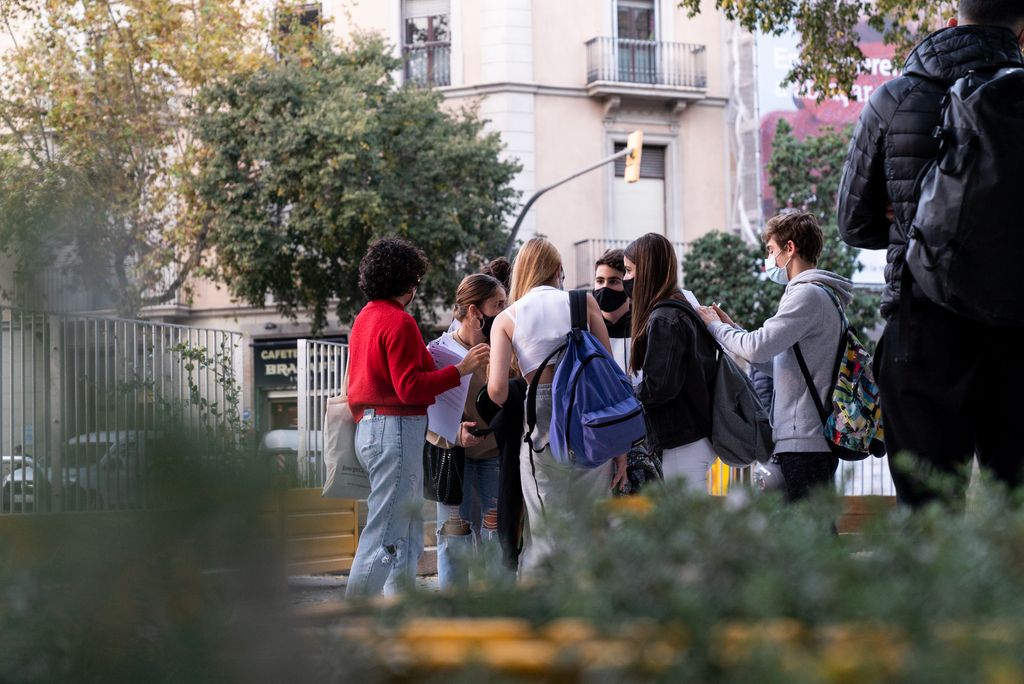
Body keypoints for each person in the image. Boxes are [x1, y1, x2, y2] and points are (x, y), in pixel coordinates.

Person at [836, 0, 1024, 508]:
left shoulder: (895, 98)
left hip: (922, 324)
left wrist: (914, 224)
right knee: (1015, 516)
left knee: (927, 516)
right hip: (1015, 326)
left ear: (952, 16)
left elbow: (852, 222)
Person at [345, 237, 489, 598]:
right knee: (386, 531)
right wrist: (461, 369)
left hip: (373, 428)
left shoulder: (365, 318)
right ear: (408, 282)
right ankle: (354, 616)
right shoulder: (399, 322)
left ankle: (400, 606)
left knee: (405, 528)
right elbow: (409, 387)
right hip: (394, 429)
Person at [486, 238, 626, 576]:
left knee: (545, 529)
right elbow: (610, 377)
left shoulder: (507, 318)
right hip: (590, 417)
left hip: (540, 422)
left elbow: (497, 390)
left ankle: (542, 615)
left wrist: (527, 396)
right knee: (590, 526)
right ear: (559, 270)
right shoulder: (584, 303)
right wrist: (620, 450)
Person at [697, 212, 853, 502]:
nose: (769, 259)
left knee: (809, 532)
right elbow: (777, 361)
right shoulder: (821, 296)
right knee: (810, 529)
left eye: (771, 250)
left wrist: (714, 327)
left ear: (789, 248)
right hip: (808, 438)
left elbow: (758, 347)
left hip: (804, 439)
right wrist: (732, 329)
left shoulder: (806, 295)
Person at [427, 274, 507, 588]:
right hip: (452, 460)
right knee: (453, 536)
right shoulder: (438, 351)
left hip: (493, 454)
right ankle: (453, 608)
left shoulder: (504, 347)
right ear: (475, 312)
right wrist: (453, 431)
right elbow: (427, 410)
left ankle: (496, 603)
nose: (504, 311)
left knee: (493, 533)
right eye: (497, 305)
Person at [623, 233, 717, 492]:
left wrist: (627, 394)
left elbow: (659, 386)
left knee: (689, 526)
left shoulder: (665, 318)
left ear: (647, 272)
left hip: (683, 438)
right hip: (693, 435)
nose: (626, 279)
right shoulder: (681, 309)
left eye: (629, 271)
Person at [592, 249, 632, 373]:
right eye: (600, 281)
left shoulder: (643, 326)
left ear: (627, 284)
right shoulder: (586, 327)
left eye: (613, 281)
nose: (604, 287)